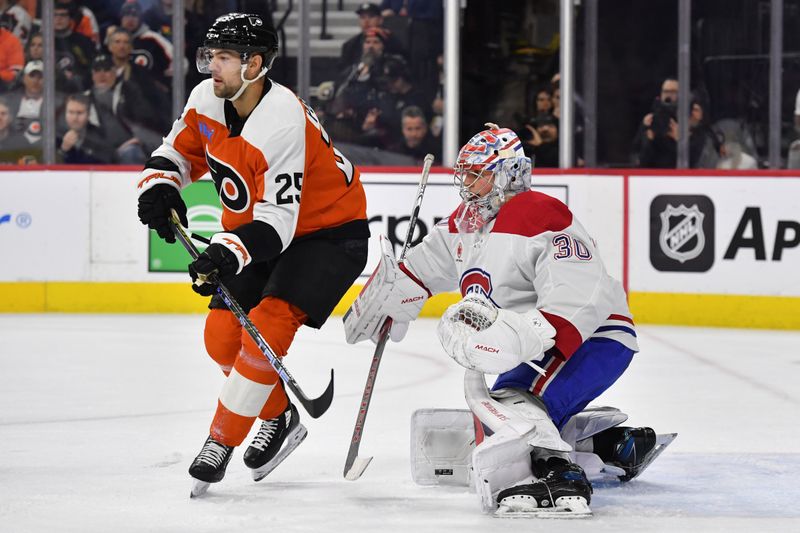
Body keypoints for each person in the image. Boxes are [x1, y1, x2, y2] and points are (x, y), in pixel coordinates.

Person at [344, 123, 660, 517]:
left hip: (588, 340)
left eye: (479, 174)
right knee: (499, 418)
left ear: (509, 173)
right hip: (535, 349)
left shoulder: (538, 212)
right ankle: (617, 446)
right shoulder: (466, 222)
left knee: (515, 409)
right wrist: (391, 293)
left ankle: (560, 474)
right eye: (466, 175)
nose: (468, 184)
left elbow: (583, 287)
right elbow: (424, 267)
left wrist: (534, 330)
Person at [136, 13, 369, 492]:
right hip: (258, 231)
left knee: (268, 323)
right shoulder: (208, 98)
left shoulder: (280, 122)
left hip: (329, 233)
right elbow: (177, 152)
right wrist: (161, 185)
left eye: (223, 57)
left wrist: (224, 253)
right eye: (211, 55)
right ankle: (279, 415)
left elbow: (279, 225)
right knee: (221, 338)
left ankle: (220, 440)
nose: (211, 66)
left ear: (255, 64)